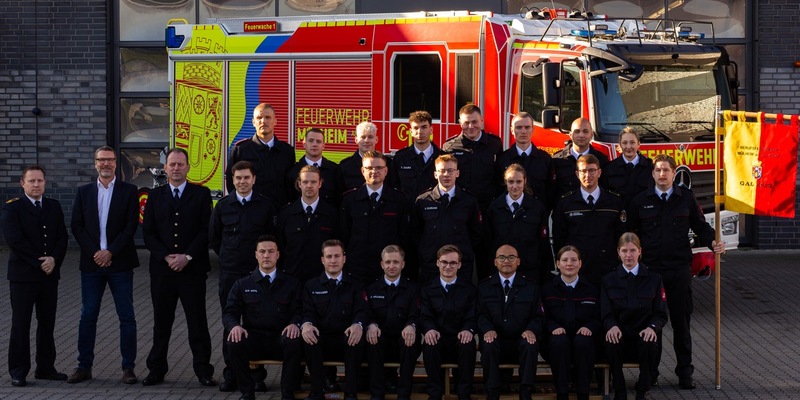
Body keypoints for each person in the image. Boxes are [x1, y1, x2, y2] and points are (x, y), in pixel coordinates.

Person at [627, 154, 725, 389]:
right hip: (651, 271)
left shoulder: (686, 199)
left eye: (666, 170)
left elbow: (700, 226)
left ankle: (684, 373)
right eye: (658, 170)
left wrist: (714, 241)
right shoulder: (641, 201)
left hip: (679, 269)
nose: (662, 174)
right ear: (653, 174)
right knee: (652, 324)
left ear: (674, 173)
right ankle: (650, 372)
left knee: (681, 322)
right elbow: (630, 233)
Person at [141, 148, 216, 387]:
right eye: (171, 164)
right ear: (165, 168)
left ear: (187, 167)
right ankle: (156, 369)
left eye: (180, 164)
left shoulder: (201, 195)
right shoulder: (155, 196)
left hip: (192, 271)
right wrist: (166, 256)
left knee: (197, 323)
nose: (175, 168)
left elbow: (207, 230)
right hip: (162, 271)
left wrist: (188, 256)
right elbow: (148, 233)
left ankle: (204, 370)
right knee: (161, 323)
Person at [68, 146, 140, 384]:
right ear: (95, 164)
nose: (106, 164)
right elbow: (76, 226)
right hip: (92, 265)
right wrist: (96, 253)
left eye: (110, 160)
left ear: (116, 163)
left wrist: (110, 252)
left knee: (126, 316)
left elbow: (130, 226)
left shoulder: (129, 191)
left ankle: (128, 368)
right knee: (88, 316)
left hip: (120, 263)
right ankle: (83, 367)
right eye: (101, 160)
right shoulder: (84, 192)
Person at [210, 160, 278, 392]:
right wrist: (229, 258)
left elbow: (272, 238)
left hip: (257, 275)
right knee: (231, 324)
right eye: (237, 178)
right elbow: (215, 238)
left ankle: (256, 375)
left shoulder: (265, 206)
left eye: (246, 177)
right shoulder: (223, 206)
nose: (242, 182)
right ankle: (232, 373)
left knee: (255, 323)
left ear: (254, 179)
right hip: (230, 274)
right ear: (232, 180)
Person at [1, 165, 69, 387]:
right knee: (21, 324)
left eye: (40, 181)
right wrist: (40, 262)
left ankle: (45, 368)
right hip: (23, 276)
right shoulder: (13, 208)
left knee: (47, 323)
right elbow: (15, 241)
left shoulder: (53, 206)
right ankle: (18, 371)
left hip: (49, 275)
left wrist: (54, 260)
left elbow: (62, 238)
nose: (36, 185)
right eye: (32, 181)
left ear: (45, 183)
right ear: (23, 184)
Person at [223, 235, 303, 400]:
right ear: (256, 255)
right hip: (254, 338)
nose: (266, 255)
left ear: (278, 255)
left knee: (294, 340)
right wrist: (234, 326)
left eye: (271, 251)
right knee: (233, 341)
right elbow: (229, 312)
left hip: (280, 338)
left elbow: (299, 310)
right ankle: (247, 391)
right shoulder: (242, 284)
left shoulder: (291, 283)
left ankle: (287, 392)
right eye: (262, 252)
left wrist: (295, 323)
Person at [601, 233, 668, 400]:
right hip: (621, 334)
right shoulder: (608, 280)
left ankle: (642, 390)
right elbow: (605, 311)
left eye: (632, 250)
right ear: (618, 252)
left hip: (643, 333)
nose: (628, 255)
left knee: (649, 342)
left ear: (640, 251)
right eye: (624, 251)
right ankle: (620, 391)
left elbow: (660, 313)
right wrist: (611, 325)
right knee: (611, 341)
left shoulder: (654, 278)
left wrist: (652, 328)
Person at [301, 240, 368, 400]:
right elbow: (307, 312)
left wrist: (358, 324)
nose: (333, 260)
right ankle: (316, 391)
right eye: (329, 256)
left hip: (346, 337)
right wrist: (307, 324)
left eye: (337, 256)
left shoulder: (356, 284)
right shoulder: (311, 286)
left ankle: (351, 392)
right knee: (309, 338)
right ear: (322, 260)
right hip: (322, 338)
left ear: (344, 258)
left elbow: (362, 310)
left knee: (355, 338)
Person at [477, 244, 544, 400]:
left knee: (531, 343)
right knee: (488, 344)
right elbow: (480, 315)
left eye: (511, 257)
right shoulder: (484, 286)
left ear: (518, 261)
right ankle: (492, 392)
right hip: (496, 340)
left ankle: (526, 392)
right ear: (495, 262)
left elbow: (539, 316)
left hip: (520, 340)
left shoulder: (531, 287)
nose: (506, 260)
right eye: (501, 257)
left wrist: (531, 330)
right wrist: (487, 329)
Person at [552, 154, 625, 285]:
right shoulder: (566, 203)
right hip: (577, 269)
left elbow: (620, 235)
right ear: (577, 174)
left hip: (608, 267)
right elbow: (559, 238)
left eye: (592, 170)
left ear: (599, 172)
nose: (588, 175)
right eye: (583, 171)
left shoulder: (614, 201)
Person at [340, 151, 410, 283]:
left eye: (379, 168)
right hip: (357, 268)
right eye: (369, 168)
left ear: (386, 170)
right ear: (362, 171)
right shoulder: (349, 200)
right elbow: (345, 235)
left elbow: (404, 236)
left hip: (388, 269)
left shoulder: (399, 200)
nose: (374, 171)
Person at [541, 246, 600, 400]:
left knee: (584, 342)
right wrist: (552, 327)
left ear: (580, 263)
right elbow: (541, 316)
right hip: (557, 341)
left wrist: (589, 327)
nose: (569, 263)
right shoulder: (547, 290)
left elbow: (599, 316)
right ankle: (562, 393)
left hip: (583, 340)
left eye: (574, 260)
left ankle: (583, 393)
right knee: (559, 342)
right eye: (565, 260)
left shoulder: (592, 289)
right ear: (557, 264)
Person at [419, 245, 477, 400]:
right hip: (438, 338)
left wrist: (468, 330)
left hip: (459, 338)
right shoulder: (427, 289)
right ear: (438, 263)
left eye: (452, 263)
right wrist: (429, 329)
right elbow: (425, 315)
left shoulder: (469, 289)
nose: (448, 266)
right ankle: (434, 393)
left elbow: (472, 316)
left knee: (467, 343)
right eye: (444, 262)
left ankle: (464, 393)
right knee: (429, 343)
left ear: (459, 264)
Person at [413, 154, 482, 282]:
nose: (446, 175)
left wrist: (463, 253)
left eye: (450, 170)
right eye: (442, 171)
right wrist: (426, 252)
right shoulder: (423, 201)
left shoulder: (469, 201)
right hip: (431, 266)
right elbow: (416, 233)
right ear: (435, 174)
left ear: (457, 173)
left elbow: (476, 234)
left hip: (460, 267)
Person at [365, 245, 420, 400]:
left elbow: (415, 314)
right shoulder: (371, 289)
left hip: (403, 340)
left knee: (409, 341)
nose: (391, 266)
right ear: (382, 264)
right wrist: (371, 324)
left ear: (403, 264)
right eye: (388, 262)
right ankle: (376, 394)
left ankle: (404, 394)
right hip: (381, 340)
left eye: (396, 262)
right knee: (372, 339)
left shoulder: (413, 288)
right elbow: (367, 313)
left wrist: (411, 326)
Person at [485, 164, 552, 284]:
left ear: (525, 181)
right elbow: (488, 241)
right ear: (505, 182)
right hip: (502, 270)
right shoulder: (494, 208)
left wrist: (545, 271)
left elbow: (543, 243)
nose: (515, 186)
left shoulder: (537, 207)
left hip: (529, 269)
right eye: (511, 182)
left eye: (518, 181)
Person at [277, 165, 339, 283]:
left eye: (313, 182)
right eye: (305, 182)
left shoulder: (331, 214)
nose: (309, 186)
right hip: (291, 278)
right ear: (299, 184)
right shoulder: (286, 214)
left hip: (321, 280)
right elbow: (280, 246)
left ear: (320, 183)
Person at [226, 103, 295, 207]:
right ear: (253, 122)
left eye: (268, 117)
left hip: (279, 212)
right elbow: (231, 182)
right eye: (259, 118)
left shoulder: (286, 151)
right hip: (250, 213)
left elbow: (291, 183)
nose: (263, 121)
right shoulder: (240, 150)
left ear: (275, 121)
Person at [441, 104, 503, 212]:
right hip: (460, 207)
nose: (470, 126)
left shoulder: (494, 144)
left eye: (474, 122)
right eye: (466, 123)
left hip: (488, 206)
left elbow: (500, 175)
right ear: (460, 123)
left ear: (482, 121)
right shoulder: (449, 147)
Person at [495, 112, 555, 210]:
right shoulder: (502, 159)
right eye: (519, 127)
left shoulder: (545, 159)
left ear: (533, 129)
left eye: (527, 127)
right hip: (509, 217)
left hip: (537, 217)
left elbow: (551, 191)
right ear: (512, 130)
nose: (523, 131)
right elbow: (497, 190)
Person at [389, 111, 443, 199]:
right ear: (411, 131)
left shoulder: (442, 157)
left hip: (433, 209)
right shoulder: (400, 158)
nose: (420, 132)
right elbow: (393, 187)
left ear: (431, 130)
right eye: (416, 128)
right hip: (407, 210)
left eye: (424, 127)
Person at [552, 118, 610, 197]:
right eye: (577, 131)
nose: (581, 135)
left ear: (591, 134)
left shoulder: (602, 160)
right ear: (570, 135)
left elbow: (605, 189)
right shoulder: (557, 160)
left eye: (585, 131)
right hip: (566, 208)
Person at [286, 127, 341, 206]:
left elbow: (338, 199)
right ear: (304, 144)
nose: (314, 144)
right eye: (311, 141)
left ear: (323, 145)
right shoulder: (293, 172)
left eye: (318, 142)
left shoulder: (334, 170)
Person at [603, 128, 654, 210]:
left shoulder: (650, 167)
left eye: (632, 142)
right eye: (625, 143)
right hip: (619, 217)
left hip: (643, 216)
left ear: (638, 144)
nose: (628, 146)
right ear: (619, 145)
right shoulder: (610, 169)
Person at [338, 121, 380, 192]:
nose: (366, 140)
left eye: (370, 137)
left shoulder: (387, 164)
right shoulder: (345, 167)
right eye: (363, 137)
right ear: (356, 140)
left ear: (376, 139)